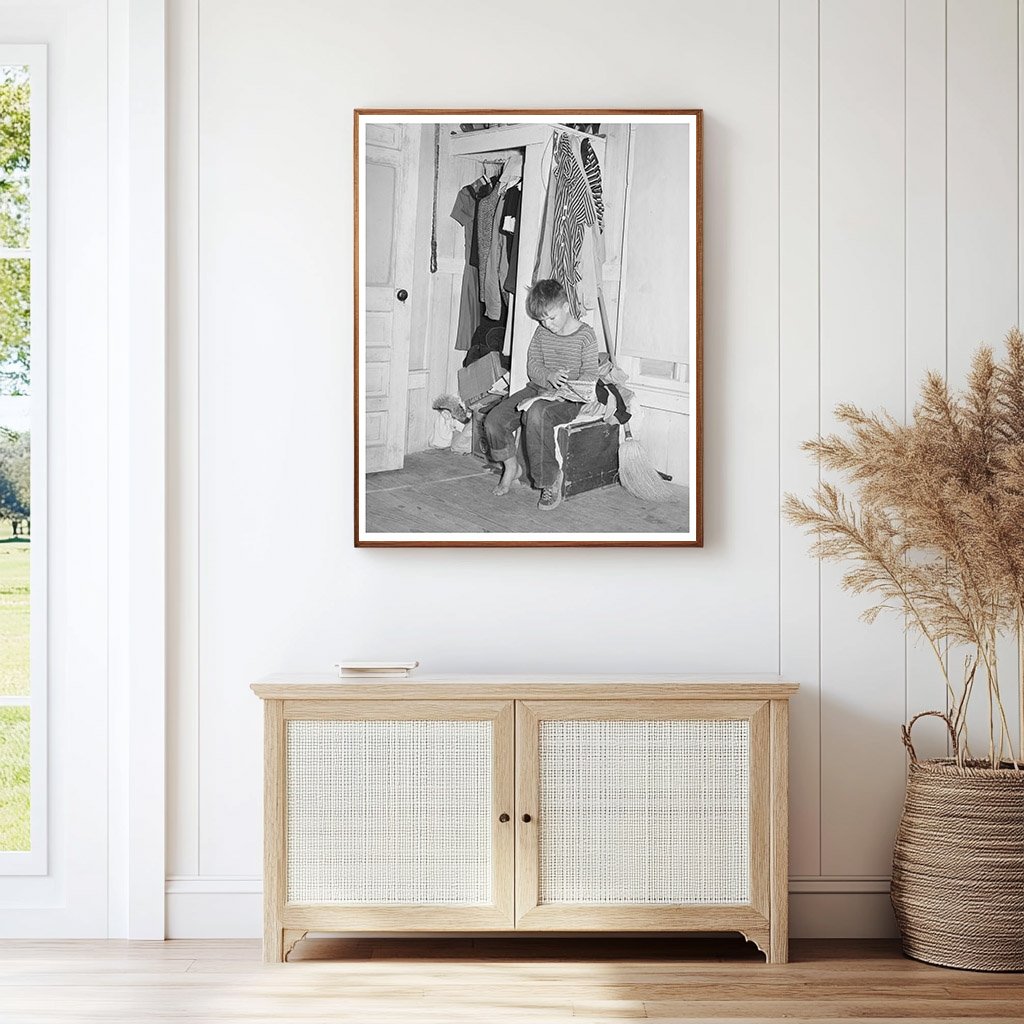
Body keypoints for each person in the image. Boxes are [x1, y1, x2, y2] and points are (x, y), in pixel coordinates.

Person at [483, 278, 599, 510]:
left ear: (566, 307)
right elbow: (533, 367)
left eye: (552, 318)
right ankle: (511, 467)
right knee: (494, 420)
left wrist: (565, 387)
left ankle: (550, 479)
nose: (547, 324)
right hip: (538, 390)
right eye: (542, 320)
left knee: (536, 414)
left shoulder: (586, 335)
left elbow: (590, 375)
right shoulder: (541, 332)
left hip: (568, 398)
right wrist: (548, 376)